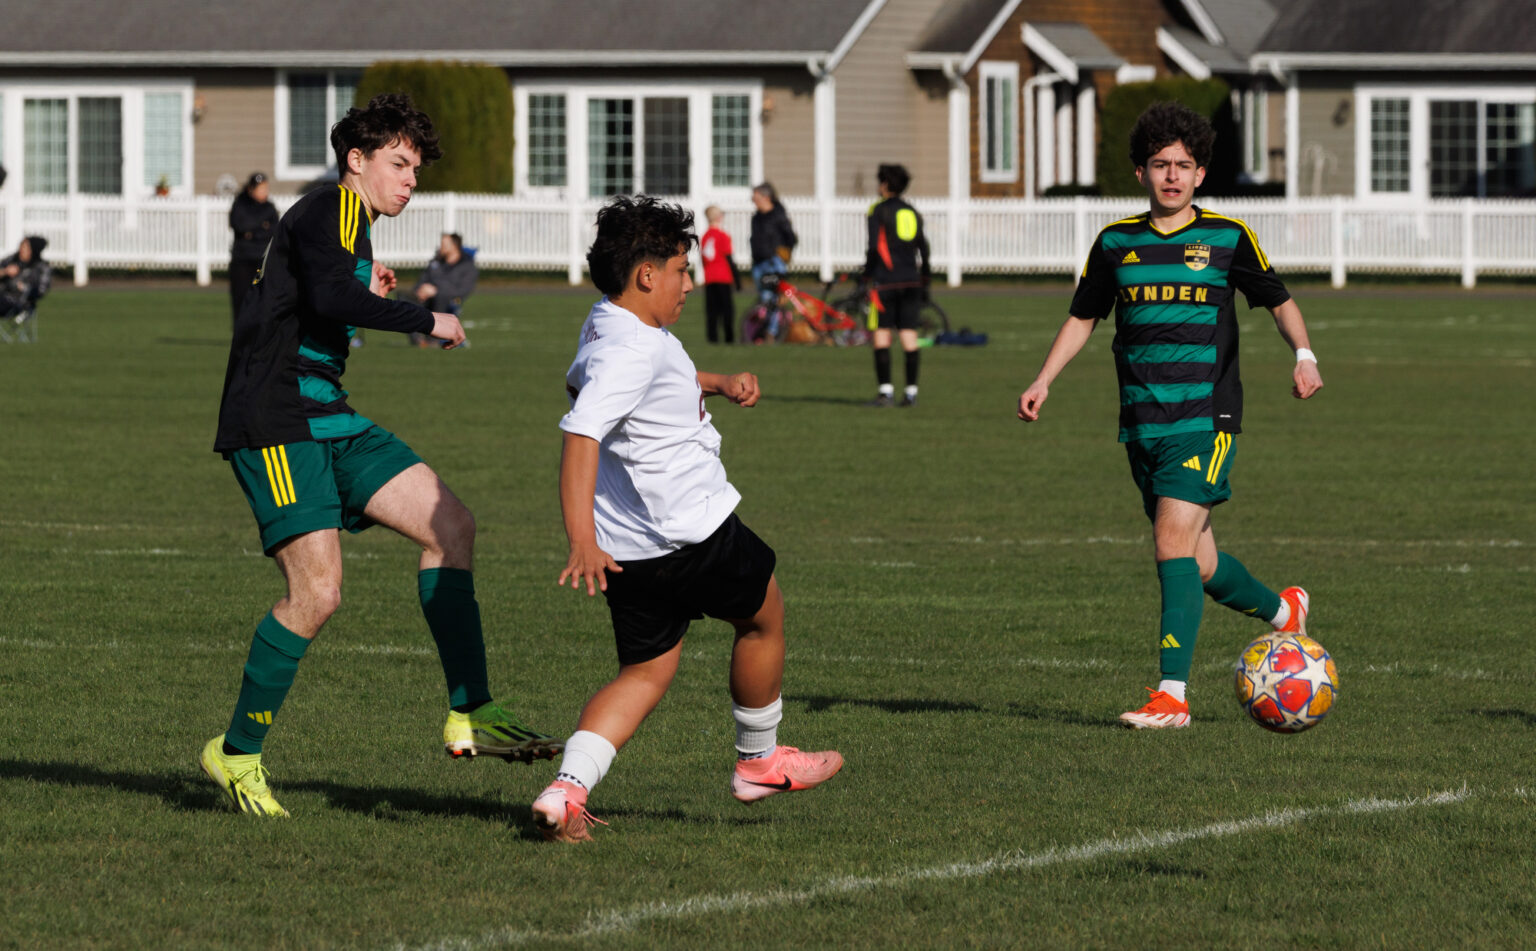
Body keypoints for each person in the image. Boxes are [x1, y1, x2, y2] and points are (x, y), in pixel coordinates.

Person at [202, 93, 558, 818]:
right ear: (355, 161)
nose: (410, 180)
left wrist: (363, 283)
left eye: (416, 169)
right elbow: (330, 296)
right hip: (276, 419)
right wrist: (426, 317)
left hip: (325, 412)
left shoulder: (347, 223)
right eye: (398, 163)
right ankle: (236, 753)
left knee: (450, 526)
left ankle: (471, 709)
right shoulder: (332, 207)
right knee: (318, 594)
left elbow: (321, 295)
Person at [532, 195, 842, 842]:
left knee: (646, 671)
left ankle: (566, 791)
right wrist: (578, 539)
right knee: (764, 616)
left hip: (633, 550)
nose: (690, 282)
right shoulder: (636, 352)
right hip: (691, 529)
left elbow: (592, 385)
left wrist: (714, 381)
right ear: (647, 274)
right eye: (681, 268)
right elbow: (582, 429)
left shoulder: (606, 326)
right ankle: (759, 760)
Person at [1016, 101, 1324, 729]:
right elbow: (1082, 317)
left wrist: (1305, 354)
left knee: (1169, 539)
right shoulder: (1114, 244)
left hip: (1206, 419)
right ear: (1141, 172)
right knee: (1200, 561)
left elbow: (1277, 299)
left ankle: (1171, 696)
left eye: (1183, 165)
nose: (1172, 176)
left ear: (1201, 174)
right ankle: (1283, 612)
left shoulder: (1228, 238)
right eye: (1161, 164)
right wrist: (1045, 379)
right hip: (1141, 423)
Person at [862, 164, 931, 408]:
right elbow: (924, 248)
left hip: (886, 283)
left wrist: (866, 275)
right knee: (909, 338)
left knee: (881, 337)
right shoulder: (912, 211)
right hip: (911, 280)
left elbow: (873, 248)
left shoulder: (877, 210)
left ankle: (886, 393)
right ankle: (911, 393)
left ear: (884, 184)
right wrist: (925, 280)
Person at [409, 232, 478, 347]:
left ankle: (433, 340)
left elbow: (462, 290)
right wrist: (420, 290)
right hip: (427, 296)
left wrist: (436, 290)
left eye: (443, 244)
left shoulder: (466, 266)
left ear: (454, 246)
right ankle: (418, 340)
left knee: (440, 296)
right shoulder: (436, 262)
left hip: (449, 298)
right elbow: (423, 279)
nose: (440, 247)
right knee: (405, 298)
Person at [228, 172, 279, 327]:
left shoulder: (269, 208)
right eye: (261, 188)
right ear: (251, 189)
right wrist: (261, 226)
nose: (264, 192)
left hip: (263, 261)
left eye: (266, 188)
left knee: (264, 301)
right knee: (241, 299)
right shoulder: (240, 205)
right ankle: (241, 335)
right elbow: (240, 225)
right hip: (242, 261)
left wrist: (252, 232)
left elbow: (274, 230)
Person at [698, 205, 740, 344]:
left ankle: (712, 338)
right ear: (719, 217)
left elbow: (704, 259)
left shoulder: (705, 237)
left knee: (712, 311)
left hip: (710, 277)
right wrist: (737, 279)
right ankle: (729, 337)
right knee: (727, 310)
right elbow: (729, 258)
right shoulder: (723, 236)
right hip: (723, 277)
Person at [0, 235, 51, 320]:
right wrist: (5, 271)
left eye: (25, 248)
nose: (21, 250)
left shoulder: (41, 268)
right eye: (21, 246)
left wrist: (24, 287)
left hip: (18, 304)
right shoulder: (12, 260)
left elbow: (40, 291)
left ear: (33, 250)